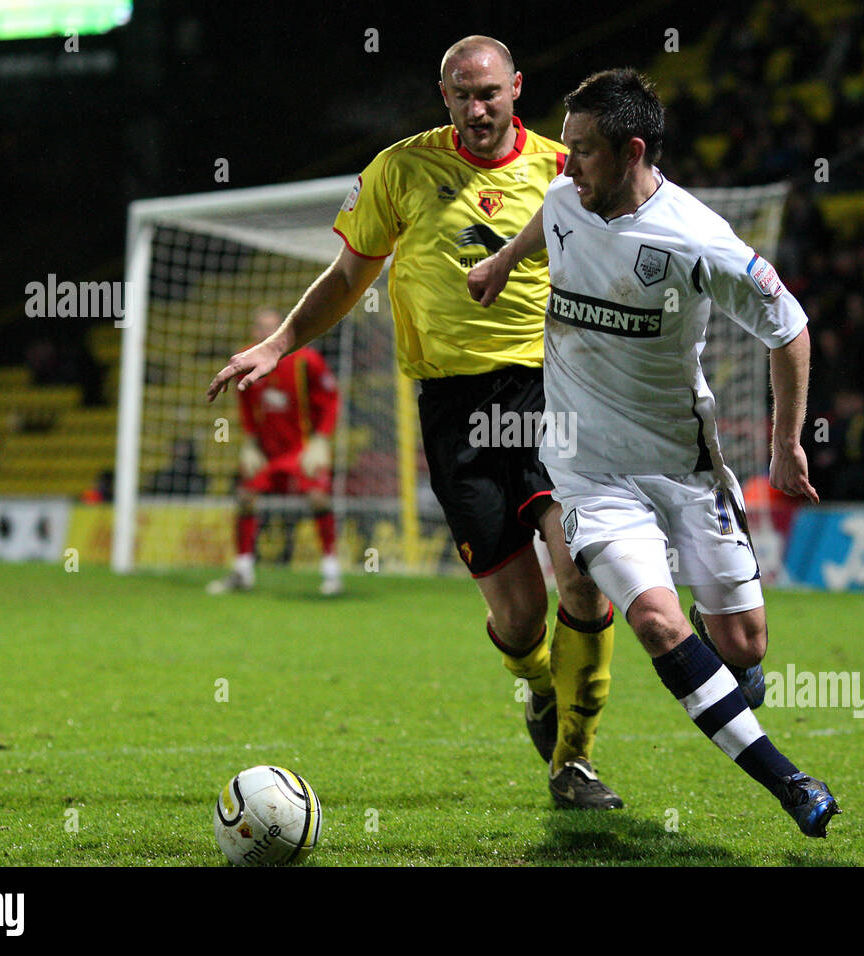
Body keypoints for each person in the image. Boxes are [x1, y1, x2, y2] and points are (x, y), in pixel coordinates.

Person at [207, 37, 622, 809]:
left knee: (585, 573)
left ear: (517, 88)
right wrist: (277, 343)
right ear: (444, 96)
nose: (479, 108)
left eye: (491, 92)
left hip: (552, 393)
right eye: (463, 94)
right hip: (454, 411)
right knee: (521, 616)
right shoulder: (399, 170)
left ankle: (576, 760)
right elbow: (344, 277)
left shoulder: (563, 169)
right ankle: (538, 687)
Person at [468, 69, 840, 836]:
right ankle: (791, 783)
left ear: (633, 150)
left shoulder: (695, 240)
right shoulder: (568, 197)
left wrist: (785, 445)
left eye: (584, 151)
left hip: (683, 466)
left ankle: (730, 656)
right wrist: (503, 263)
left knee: (743, 646)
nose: (566, 165)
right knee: (656, 622)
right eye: (565, 148)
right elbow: (549, 215)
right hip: (587, 471)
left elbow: (791, 330)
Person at [208, 307, 343, 597]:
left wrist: (320, 441)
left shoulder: (307, 360)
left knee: (319, 498)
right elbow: (244, 404)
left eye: (272, 328)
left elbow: (331, 399)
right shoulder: (245, 359)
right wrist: (249, 443)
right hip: (267, 452)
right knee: (245, 497)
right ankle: (242, 571)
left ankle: (332, 573)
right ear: (253, 332)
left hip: (302, 449)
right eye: (260, 328)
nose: (265, 333)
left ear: (282, 330)